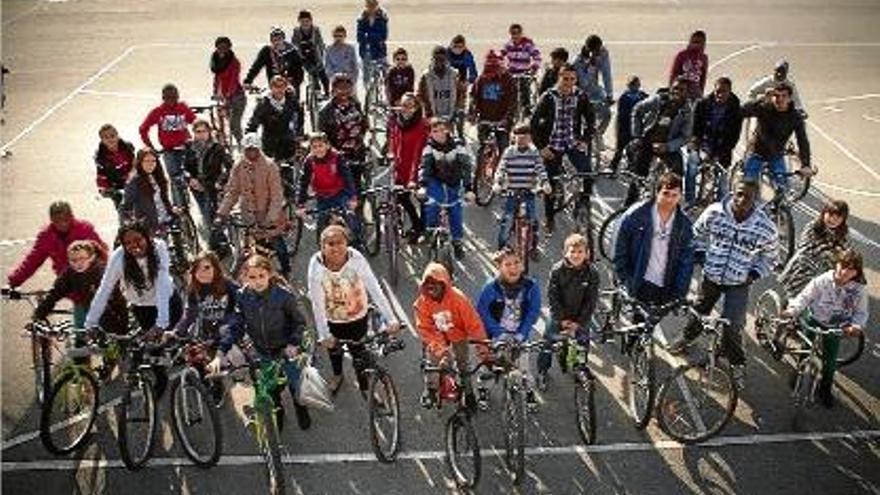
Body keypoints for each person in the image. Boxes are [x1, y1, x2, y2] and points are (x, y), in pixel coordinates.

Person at [671, 180, 778, 387]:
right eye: (739, 194)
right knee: (700, 309)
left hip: (739, 281)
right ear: (732, 192)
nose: (742, 200)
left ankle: (737, 363)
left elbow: (771, 257)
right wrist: (702, 256)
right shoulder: (714, 212)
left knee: (733, 325)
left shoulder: (766, 227)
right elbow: (696, 235)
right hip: (711, 275)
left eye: (748, 197)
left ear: (756, 199)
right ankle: (686, 337)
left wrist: (754, 274)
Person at [210, 255, 312, 430]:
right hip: (263, 351)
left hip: (286, 349)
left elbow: (299, 322)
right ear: (244, 277)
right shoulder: (242, 296)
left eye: (261, 276)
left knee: (295, 383)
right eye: (252, 277)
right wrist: (221, 350)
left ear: (269, 274)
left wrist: (294, 343)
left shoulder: (283, 295)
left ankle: (300, 408)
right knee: (271, 389)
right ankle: (278, 412)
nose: (257, 281)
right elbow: (236, 325)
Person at [85, 220, 183, 397]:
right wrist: (90, 322)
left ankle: (174, 360)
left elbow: (161, 284)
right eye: (127, 243)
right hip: (142, 308)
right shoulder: (119, 258)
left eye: (138, 239)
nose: (134, 246)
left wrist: (161, 323)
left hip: (168, 303)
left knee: (166, 342)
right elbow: (105, 289)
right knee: (154, 350)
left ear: (147, 237)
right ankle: (160, 376)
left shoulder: (159, 247)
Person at [307, 225, 401, 394]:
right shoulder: (316, 267)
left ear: (347, 243)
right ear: (322, 247)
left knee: (359, 354)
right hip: (333, 318)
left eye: (340, 242)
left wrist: (391, 318)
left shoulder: (356, 258)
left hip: (358, 315)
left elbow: (375, 289)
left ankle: (365, 387)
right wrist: (323, 334)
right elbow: (317, 303)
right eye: (330, 244)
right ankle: (337, 375)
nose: (336, 248)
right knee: (334, 351)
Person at [780, 249, 868, 408]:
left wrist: (856, 326)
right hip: (815, 319)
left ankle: (825, 388)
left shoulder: (859, 289)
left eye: (851, 270)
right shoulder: (822, 280)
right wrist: (792, 310)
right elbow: (805, 297)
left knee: (830, 360)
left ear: (857, 272)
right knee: (806, 349)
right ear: (837, 264)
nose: (845, 272)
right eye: (843, 266)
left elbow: (861, 312)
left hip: (836, 327)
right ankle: (798, 372)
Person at [6, 202, 106, 316]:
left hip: (89, 283)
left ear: (71, 216)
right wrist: (14, 281)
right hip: (66, 282)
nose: (62, 224)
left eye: (66, 219)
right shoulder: (46, 236)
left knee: (87, 322)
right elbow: (32, 260)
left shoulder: (84, 230)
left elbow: (101, 254)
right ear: (52, 220)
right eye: (57, 221)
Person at [530, 63, 595, 234]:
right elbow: (534, 124)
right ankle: (549, 217)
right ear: (559, 78)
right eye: (565, 78)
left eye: (572, 79)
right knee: (550, 183)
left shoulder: (581, 96)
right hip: (553, 145)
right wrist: (542, 147)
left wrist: (585, 139)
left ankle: (584, 205)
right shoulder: (548, 97)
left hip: (572, 143)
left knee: (588, 174)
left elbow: (590, 119)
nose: (568, 82)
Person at [613, 172, 694, 308]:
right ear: (657, 193)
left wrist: (679, 294)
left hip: (664, 287)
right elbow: (619, 248)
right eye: (666, 193)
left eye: (675, 195)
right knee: (638, 321)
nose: (670, 199)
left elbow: (686, 262)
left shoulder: (684, 225)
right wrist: (625, 279)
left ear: (680, 196)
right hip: (640, 280)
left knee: (651, 323)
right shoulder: (635, 215)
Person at [414, 261, 488, 409]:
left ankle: (468, 391)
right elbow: (425, 328)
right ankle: (431, 389)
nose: (431, 289)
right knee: (433, 362)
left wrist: (484, 351)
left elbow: (474, 325)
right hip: (436, 336)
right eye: (428, 285)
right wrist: (442, 352)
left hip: (458, 335)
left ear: (444, 284)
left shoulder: (458, 299)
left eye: (436, 284)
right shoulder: (422, 303)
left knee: (463, 364)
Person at [215, 134, 291, 275]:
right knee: (256, 246)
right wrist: (222, 213)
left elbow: (276, 195)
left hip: (268, 214)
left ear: (259, 149)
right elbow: (232, 191)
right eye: (247, 150)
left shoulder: (270, 166)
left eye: (254, 149)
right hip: (249, 214)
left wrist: (270, 218)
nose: (250, 153)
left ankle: (286, 269)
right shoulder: (238, 166)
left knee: (277, 243)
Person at [476, 248, 542, 409]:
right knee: (490, 365)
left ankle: (528, 391)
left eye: (517, 263)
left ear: (522, 265)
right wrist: (499, 333)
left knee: (523, 367)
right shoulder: (490, 287)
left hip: (520, 334)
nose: (513, 268)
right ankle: (483, 388)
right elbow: (482, 311)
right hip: (495, 334)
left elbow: (533, 311)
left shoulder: (531, 286)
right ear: (499, 267)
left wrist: (522, 333)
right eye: (507, 264)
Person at [536, 233, 599, 387]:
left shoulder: (592, 273)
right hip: (559, 315)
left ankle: (580, 367)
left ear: (587, 253)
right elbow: (552, 296)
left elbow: (591, 300)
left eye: (580, 252)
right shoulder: (557, 270)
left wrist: (579, 322)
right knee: (548, 342)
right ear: (565, 252)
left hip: (580, 315)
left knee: (583, 342)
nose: (576, 255)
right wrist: (561, 319)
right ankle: (542, 371)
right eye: (572, 251)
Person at [627, 76, 693, 205]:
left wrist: (667, 146)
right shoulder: (659, 100)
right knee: (638, 175)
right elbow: (637, 110)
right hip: (648, 141)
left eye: (682, 90)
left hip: (667, 146)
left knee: (677, 173)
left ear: (687, 92)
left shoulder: (687, 111)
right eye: (675, 88)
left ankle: (672, 205)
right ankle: (629, 204)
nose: (677, 92)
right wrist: (637, 136)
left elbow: (685, 137)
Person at [32, 241, 123, 332]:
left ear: (92, 257)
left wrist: (100, 326)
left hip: (114, 317)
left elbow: (108, 300)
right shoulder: (70, 273)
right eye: (74, 260)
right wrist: (39, 313)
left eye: (82, 258)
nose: (78, 263)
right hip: (90, 314)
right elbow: (56, 292)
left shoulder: (100, 273)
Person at [416, 118, 475, 259]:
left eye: (442, 130)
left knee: (456, 211)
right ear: (430, 133)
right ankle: (430, 230)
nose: (439, 134)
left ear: (448, 130)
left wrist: (468, 188)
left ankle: (457, 241)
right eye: (435, 131)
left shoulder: (458, 145)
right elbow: (425, 167)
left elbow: (466, 167)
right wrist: (422, 186)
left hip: (453, 182)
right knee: (432, 205)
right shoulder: (428, 148)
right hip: (435, 181)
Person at [740, 82, 812, 195]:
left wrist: (806, 165)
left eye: (784, 96)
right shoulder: (764, 107)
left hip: (776, 155)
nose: (780, 99)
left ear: (790, 98)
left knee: (782, 191)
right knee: (747, 190)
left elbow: (802, 141)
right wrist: (761, 99)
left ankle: (779, 210)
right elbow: (742, 111)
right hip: (757, 152)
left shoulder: (795, 117)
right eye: (777, 96)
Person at [492, 124, 550, 253]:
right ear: (514, 137)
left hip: (529, 190)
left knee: (533, 220)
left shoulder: (534, 152)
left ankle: (534, 247)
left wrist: (545, 183)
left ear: (530, 138)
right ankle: (501, 248)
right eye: (519, 137)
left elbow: (540, 169)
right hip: (512, 190)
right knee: (507, 220)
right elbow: (501, 168)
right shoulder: (509, 151)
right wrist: (498, 183)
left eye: (525, 137)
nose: (521, 140)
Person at [684, 76, 742, 206]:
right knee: (692, 166)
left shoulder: (735, 109)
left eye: (724, 92)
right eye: (718, 91)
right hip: (702, 145)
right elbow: (694, 130)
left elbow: (733, 137)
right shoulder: (702, 104)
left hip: (722, 149)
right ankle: (690, 199)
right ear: (714, 90)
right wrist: (696, 147)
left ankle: (720, 205)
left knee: (723, 179)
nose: (720, 95)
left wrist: (717, 155)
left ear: (730, 91)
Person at [779, 200, 850, 301]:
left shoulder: (843, 232)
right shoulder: (813, 226)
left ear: (843, 219)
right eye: (830, 215)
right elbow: (805, 245)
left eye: (838, 217)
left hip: (827, 266)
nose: (833, 220)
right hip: (806, 262)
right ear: (824, 213)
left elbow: (845, 250)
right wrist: (828, 252)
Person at [295, 132, 360, 242]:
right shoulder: (309, 161)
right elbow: (303, 183)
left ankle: (358, 243)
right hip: (322, 196)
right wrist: (300, 204)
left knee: (350, 221)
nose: (318, 149)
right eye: (314, 147)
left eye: (321, 146)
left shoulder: (337, 157)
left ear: (327, 145)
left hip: (339, 193)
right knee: (321, 230)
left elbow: (347, 177)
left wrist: (353, 197)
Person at [138, 83, 196, 206]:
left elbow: (195, 122)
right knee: (174, 179)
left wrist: (198, 139)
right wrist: (151, 147)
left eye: (174, 98)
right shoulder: (158, 112)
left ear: (178, 97)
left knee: (194, 175)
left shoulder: (183, 108)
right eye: (168, 98)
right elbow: (143, 128)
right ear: (163, 98)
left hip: (186, 148)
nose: (171, 101)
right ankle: (179, 207)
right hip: (169, 151)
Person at [317, 73, 370, 191]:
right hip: (339, 156)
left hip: (358, 152)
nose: (344, 91)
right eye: (340, 88)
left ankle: (358, 207)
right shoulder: (325, 111)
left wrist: (361, 138)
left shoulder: (355, 103)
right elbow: (322, 137)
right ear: (334, 90)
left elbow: (363, 124)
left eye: (347, 87)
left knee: (358, 188)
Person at [387, 93, 428, 242]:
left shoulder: (422, 126)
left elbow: (418, 154)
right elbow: (393, 139)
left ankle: (423, 229)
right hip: (400, 168)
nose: (405, 109)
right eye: (403, 105)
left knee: (422, 199)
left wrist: (413, 178)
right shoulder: (397, 122)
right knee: (402, 197)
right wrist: (391, 152)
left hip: (417, 170)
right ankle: (417, 225)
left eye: (410, 106)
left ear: (417, 107)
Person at [184, 119, 234, 224]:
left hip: (212, 186)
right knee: (205, 214)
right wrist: (190, 179)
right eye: (198, 132)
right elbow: (184, 168)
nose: (201, 134)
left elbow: (230, 167)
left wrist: (220, 181)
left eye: (204, 131)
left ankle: (217, 237)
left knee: (211, 216)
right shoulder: (189, 148)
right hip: (197, 186)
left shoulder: (217, 148)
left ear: (209, 132)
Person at [246, 74, 302, 162]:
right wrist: (250, 141)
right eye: (276, 86)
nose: (279, 89)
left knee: (288, 171)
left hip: (287, 143)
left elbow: (300, 114)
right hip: (270, 144)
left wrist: (298, 132)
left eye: (282, 86)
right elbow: (253, 123)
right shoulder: (264, 104)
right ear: (271, 88)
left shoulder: (291, 100)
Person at [121, 148, 176, 236]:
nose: (151, 164)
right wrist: (133, 225)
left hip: (165, 220)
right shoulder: (134, 181)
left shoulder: (158, 176)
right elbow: (125, 207)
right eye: (146, 161)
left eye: (153, 161)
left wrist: (171, 209)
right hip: (149, 226)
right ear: (140, 162)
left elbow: (163, 199)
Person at [469, 50, 516, 151]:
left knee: (503, 148)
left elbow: (513, 103)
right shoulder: (481, 79)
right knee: (480, 148)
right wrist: (472, 113)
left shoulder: (508, 80)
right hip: (484, 119)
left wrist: (507, 118)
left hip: (502, 120)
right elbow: (474, 97)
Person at [572, 35, 614, 147]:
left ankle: (599, 133)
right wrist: (589, 65)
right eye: (595, 52)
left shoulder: (603, 53)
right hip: (581, 92)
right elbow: (583, 83)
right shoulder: (578, 61)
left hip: (595, 90)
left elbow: (606, 74)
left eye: (598, 51)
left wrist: (609, 94)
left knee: (607, 113)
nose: (597, 54)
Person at [243, 27, 304, 94]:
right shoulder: (267, 51)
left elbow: (299, 71)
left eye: (279, 39)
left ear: (283, 39)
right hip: (273, 86)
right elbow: (256, 67)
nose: (277, 42)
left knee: (292, 102)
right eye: (274, 40)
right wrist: (248, 81)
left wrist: (294, 84)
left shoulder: (292, 52)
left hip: (290, 86)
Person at [210, 36, 247, 148]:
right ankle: (225, 146)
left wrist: (227, 96)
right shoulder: (216, 61)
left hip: (237, 97)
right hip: (224, 97)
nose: (222, 50)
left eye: (224, 48)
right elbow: (217, 78)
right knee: (219, 124)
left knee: (234, 125)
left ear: (229, 48)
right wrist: (215, 92)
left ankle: (242, 145)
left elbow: (233, 81)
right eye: (219, 48)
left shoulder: (234, 62)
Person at [608, 76, 648, 171]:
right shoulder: (625, 97)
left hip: (633, 128)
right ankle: (614, 167)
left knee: (628, 150)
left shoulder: (641, 96)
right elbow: (621, 116)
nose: (635, 87)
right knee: (621, 150)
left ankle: (624, 167)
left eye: (636, 85)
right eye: (633, 85)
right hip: (625, 128)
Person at [500, 23, 541, 115]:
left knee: (525, 92)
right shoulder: (508, 45)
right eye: (513, 33)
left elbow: (537, 56)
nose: (515, 35)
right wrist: (500, 66)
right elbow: (500, 56)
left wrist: (534, 66)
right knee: (508, 93)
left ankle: (527, 112)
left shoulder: (527, 44)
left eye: (517, 33)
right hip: (512, 73)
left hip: (524, 73)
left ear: (521, 33)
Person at [94, 123, 135, 211]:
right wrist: (104, 188)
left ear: (117, 136)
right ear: (102, 140)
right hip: (114, 185)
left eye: (112, 136)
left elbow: (134, 164)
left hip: (131, 180)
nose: (110, 139)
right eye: (106, 137)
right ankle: (124, 221)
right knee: (121, 204)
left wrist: (132, 176)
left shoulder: (128, 147)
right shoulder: (100, 156)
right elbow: (101, 174)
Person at [417, 46, 464, 123]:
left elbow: (461, 93)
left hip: (450, 115)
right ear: (432, 60)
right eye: (437, 59)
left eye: (442, 59)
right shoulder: (426, 76)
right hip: (432, 116)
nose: (439, 62)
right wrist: (426, 108)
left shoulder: (454, 75)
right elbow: (419, 95)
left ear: (446, 60)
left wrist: (458, 108)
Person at [291, 10, 330, 95]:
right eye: (302, 21)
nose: (305, 23)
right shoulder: (296, 31)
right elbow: (294, 45)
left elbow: (320, 43)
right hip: (303, 56)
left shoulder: (316, 30)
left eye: (307, 21)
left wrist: (322, 55)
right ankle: (316, 88)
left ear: (311, 21)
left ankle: (327, 92)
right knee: (312, 72)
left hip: (315, 54)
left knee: (322, 73)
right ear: (299, 21)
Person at [356, 0, 389, 87]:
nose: (371, 7)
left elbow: (383, 36)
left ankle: (386, 94)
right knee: (366, 77)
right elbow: (359, 37)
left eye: (373, 5)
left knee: (386, 74)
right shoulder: (361, 18)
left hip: (379, 50)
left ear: (377, 5)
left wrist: (368, 35)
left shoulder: (382, 17)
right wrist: (374, 36)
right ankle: (368, 95)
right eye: (369, 5)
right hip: (366, 51)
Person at [668, 30, 708, 99]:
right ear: (690, 42)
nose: (697, 45)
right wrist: (671, 88)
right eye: (695, 42)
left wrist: (701, 91)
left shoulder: (703, 57)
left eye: (700, 43)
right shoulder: (682, 55)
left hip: (695, 88)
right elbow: (674, 73)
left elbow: (703, 76)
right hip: (682, 87)